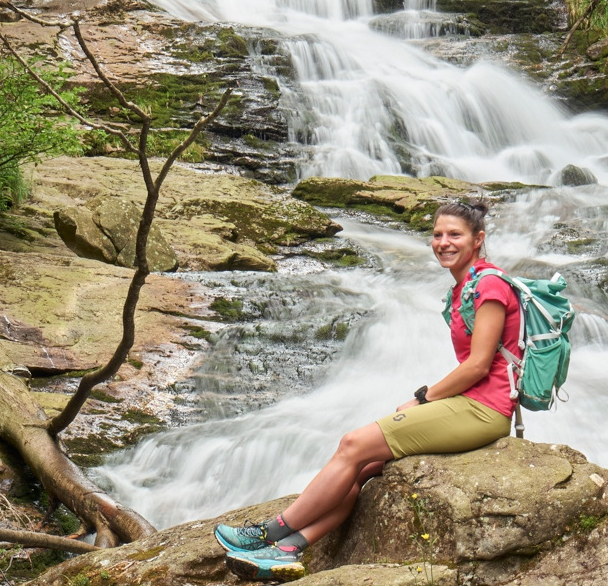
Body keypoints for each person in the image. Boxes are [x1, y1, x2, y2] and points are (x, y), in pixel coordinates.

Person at [214, 199, 522, 581]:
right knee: (361, 468)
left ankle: (268, 531)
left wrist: (424, 398)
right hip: (470, 402)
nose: (444, 242)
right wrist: (426, 399)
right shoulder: (465, 286)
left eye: (454, 235)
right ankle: (286, 550)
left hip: (485, 410)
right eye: (438, 234)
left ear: (478, 239)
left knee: (352, 445)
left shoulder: (489, 285)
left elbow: (478, 365)